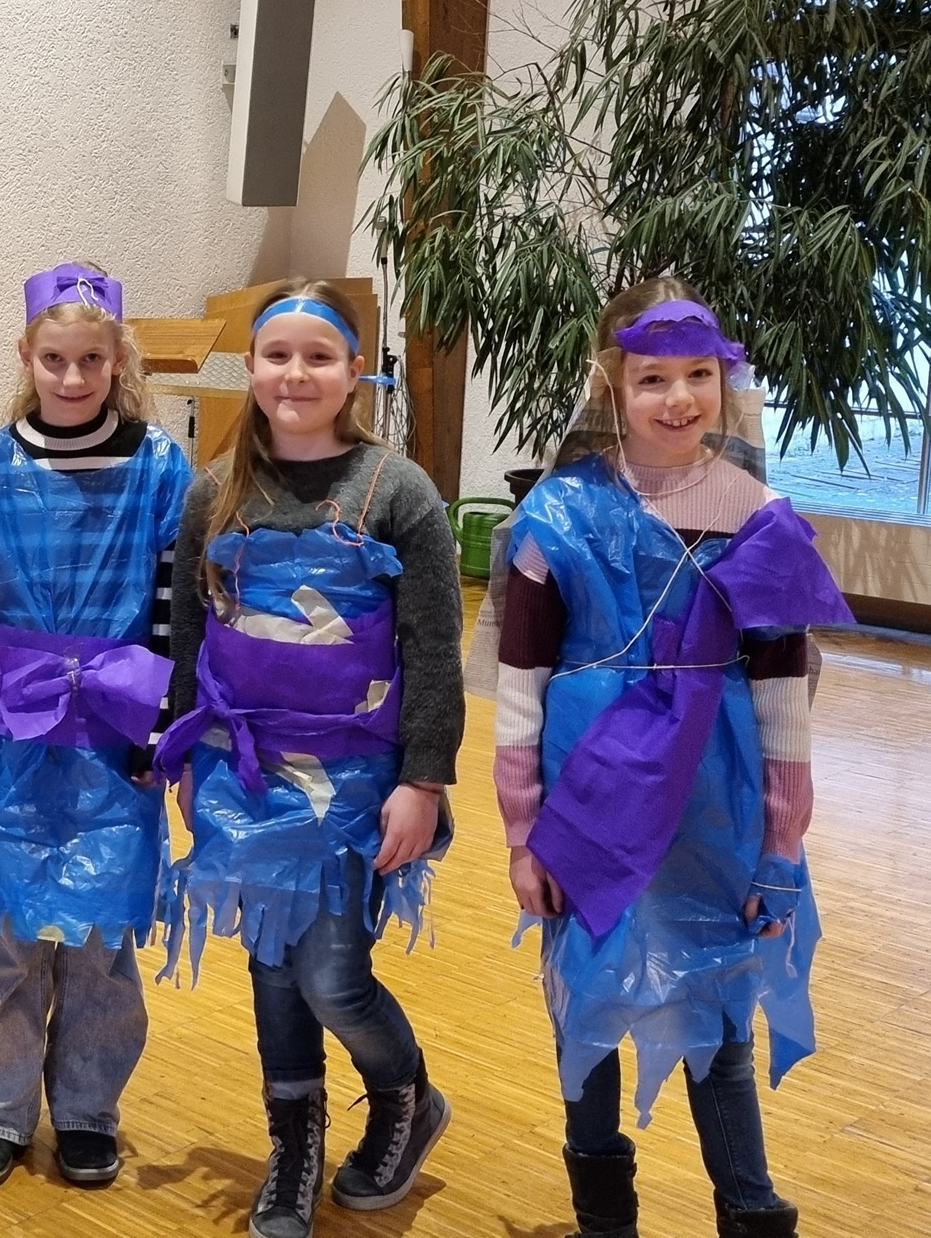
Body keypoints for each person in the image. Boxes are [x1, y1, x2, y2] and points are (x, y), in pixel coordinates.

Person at [490, 279, 850, 1238]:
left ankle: (750, 1208)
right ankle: (604, 1215)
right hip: (589, 800)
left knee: (719, 1011)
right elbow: (521, 686)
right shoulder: (559, 516)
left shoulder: (760, 516)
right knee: (587, 1007)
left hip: (713, 803)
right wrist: (523, 834)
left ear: (726, 383)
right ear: (613, 384)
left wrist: (782, 845)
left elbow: (782, 697)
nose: (679, 397)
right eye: (653, 377)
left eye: (699, 374)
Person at [156, 280, 461, 1238]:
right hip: (242, 772)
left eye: (319, 356)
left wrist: (423, 781)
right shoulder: (214, 492)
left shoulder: (396, 491)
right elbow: (189, 634)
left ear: (354, 370)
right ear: (251, 367)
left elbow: (434, 649)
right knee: (271, 963)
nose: (297, 374)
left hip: (356, 781)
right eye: (278, 355)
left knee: (332, 975)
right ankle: (294, 1144)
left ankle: (407, 1097)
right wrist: (181, 756)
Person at [0, 262, 191, 1191]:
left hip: (117, 731)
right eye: (55, 359)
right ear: (26, 355)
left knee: (102, 942)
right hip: (17, 737)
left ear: (118, 360)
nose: (72, 377)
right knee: (10, 933)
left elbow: (172, 610)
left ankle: (90, 1109)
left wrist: (161, 733)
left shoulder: (158, 468)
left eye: (91, 360)